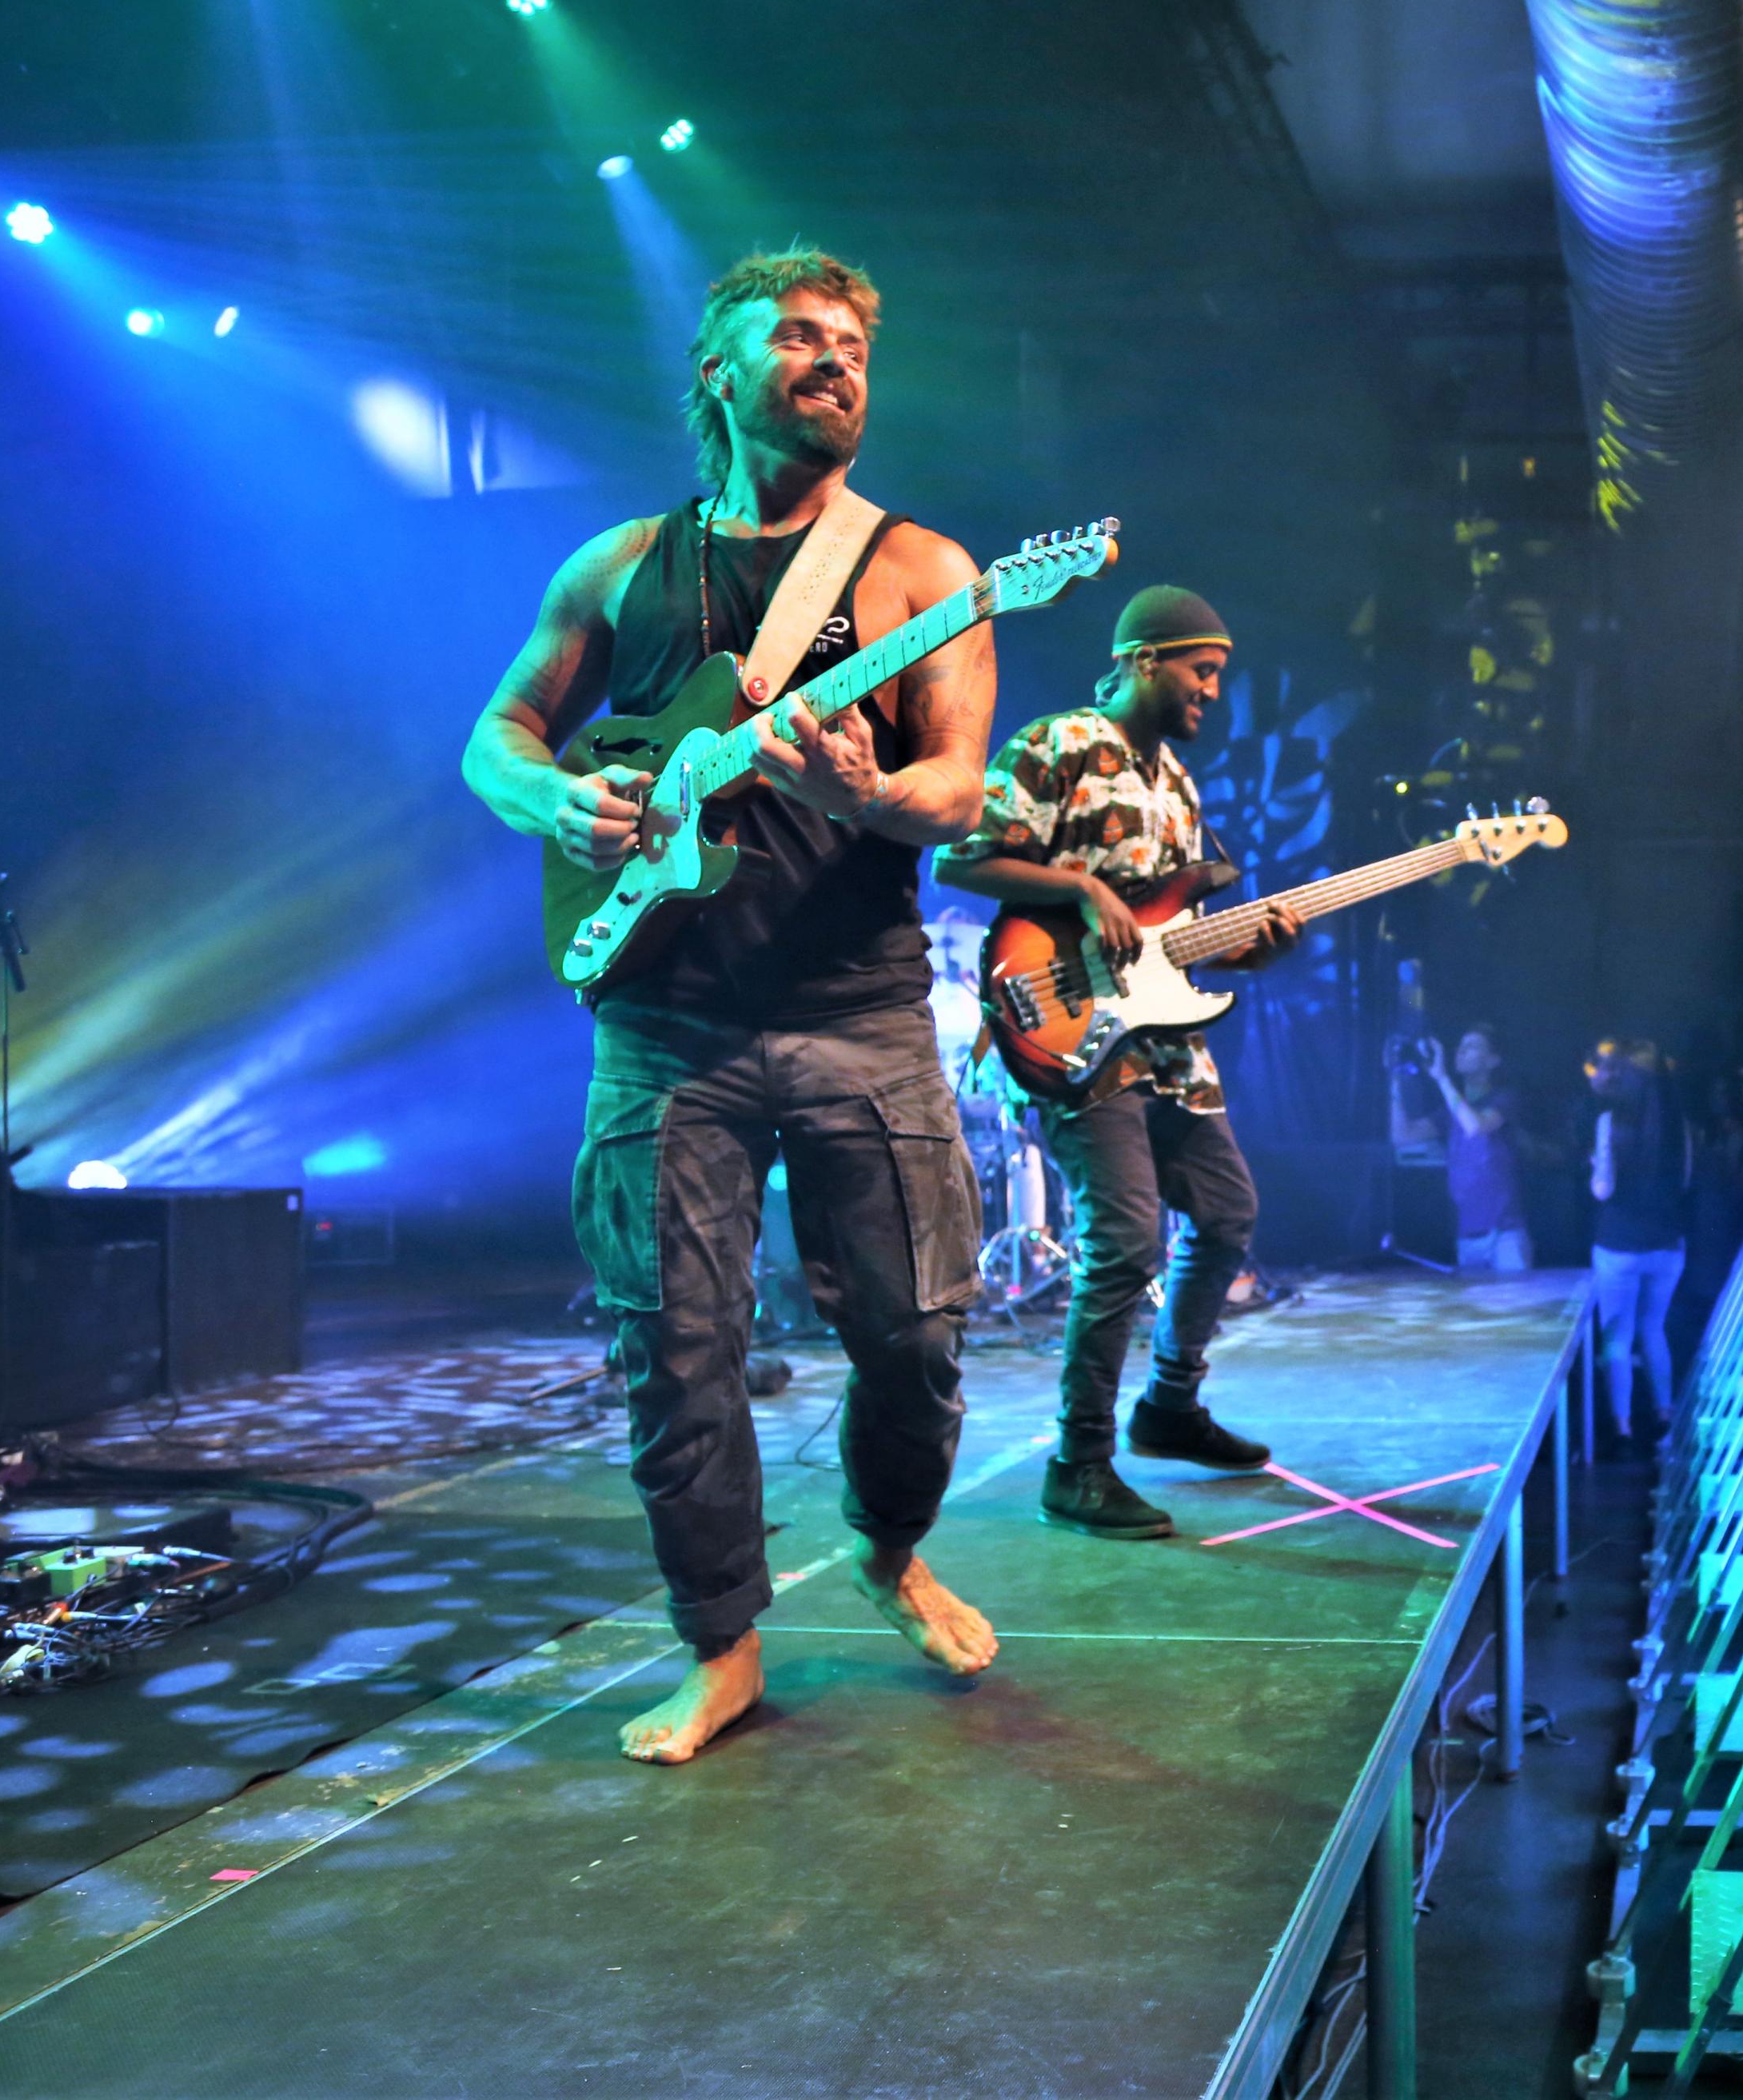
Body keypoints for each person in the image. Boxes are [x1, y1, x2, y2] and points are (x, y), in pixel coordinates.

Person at [462, 246, 1004, 1763]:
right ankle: (722, 1646)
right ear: (719, 370)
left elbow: (959, 793)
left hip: (859, 1013)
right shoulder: (621, 566)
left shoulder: (922, 573)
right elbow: (499, 735)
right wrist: (560, 804)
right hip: (664, 1021)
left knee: (915, 1335)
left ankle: (889, 1548)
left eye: (855, 346)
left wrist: (869, 791)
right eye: (802, 337)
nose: (837, 361)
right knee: (675, 1349)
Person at [931, 584, 1302, 1540]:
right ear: (1143, 659)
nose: (1212, 691)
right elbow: (958, 861)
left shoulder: (1178, 783)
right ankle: (1078, 1463)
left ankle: (1170, 1404)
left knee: (1227, 1214)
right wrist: (1074, 886)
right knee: (1126, 1240)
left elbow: (1167, 942)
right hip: (1070, 1035)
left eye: (1218, 675)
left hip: (1168, 1047)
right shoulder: (1056, 745)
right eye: (1201, 670)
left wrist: (1246, 951)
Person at [1585, 1036, 1692, 1440]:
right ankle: (1664, 1412)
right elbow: (1684, 1181)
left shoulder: (1611, 1122)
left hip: (1619, 1244)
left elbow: (1603, 1189)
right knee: (1654, 1328)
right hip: (1666, 1244)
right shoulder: (1679, 1124)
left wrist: (1596, 1164)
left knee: (1617, 1337)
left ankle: (1623, 1426)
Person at [1422, 1024, 1529, 1272]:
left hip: (1504, 1234)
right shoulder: (1450, 1110)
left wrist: (1442, 1079)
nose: (1461, 1051)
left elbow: (1475, 1126)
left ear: (1492, 1060)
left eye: (1472, 1046)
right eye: (1461, 1046)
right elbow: (1403, 1134)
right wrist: (1395, 1077)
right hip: (1467, 1235)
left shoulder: (1505, 1098)